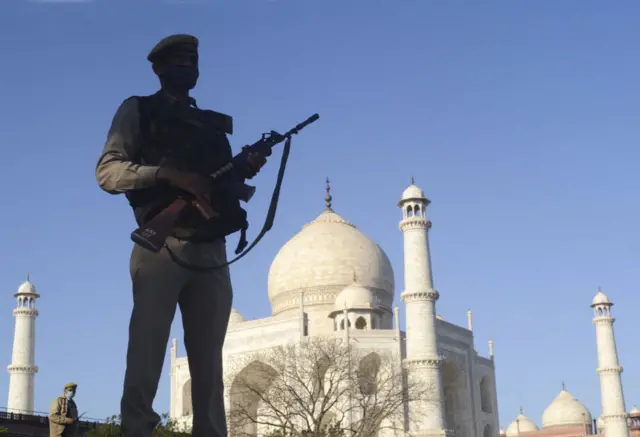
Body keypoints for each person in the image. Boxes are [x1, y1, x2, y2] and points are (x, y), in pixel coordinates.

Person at [95, 34, 267, 437]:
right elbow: (108, 171)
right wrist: (165, 174)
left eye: (193, 59)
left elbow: (217, 184)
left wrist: (243, 168)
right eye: (179, 60)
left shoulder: (210, 125)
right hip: (163, 249)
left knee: (209, 366)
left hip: (211, 251)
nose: (188, 66)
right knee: (146, 356)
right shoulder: (140, 110)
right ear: (158, 68)